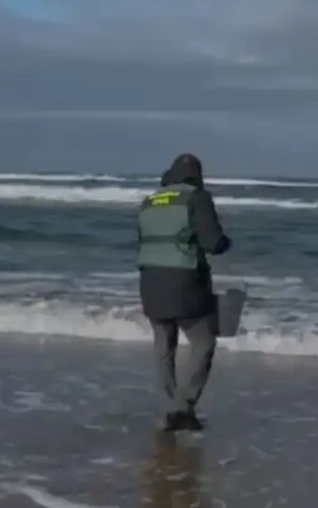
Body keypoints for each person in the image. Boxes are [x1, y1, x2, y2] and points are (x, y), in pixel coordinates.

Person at [136, 153, 231, 431]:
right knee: (203, 342)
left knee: (163, 344)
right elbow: (213, 243)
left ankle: (169, 409)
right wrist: (225, 243)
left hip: (150, 283)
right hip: (185, 284)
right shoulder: (197, 197)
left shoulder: (149, 201)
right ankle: (183, 407)